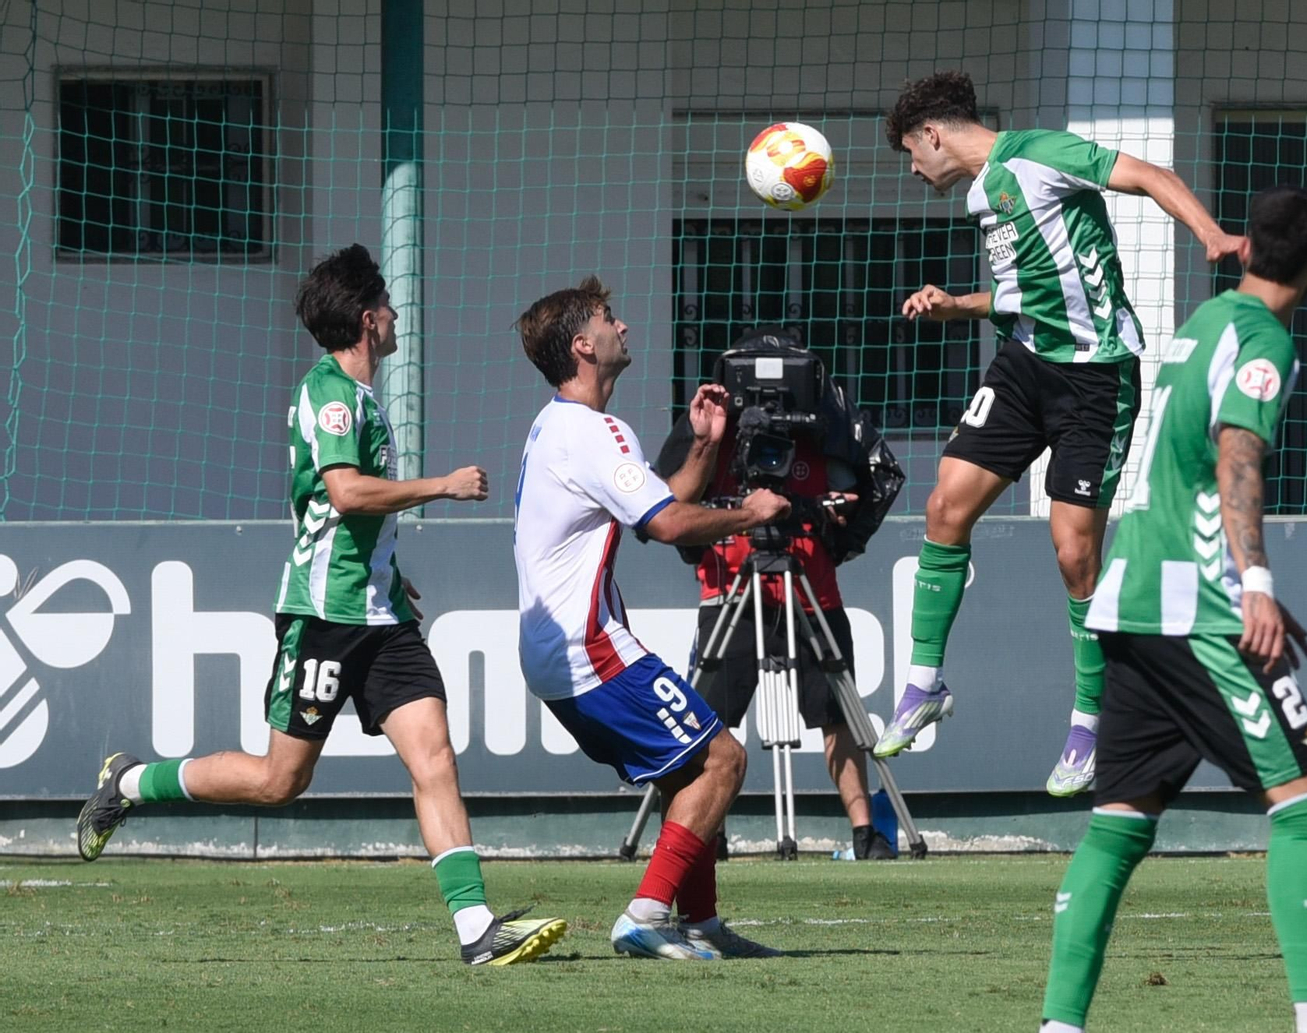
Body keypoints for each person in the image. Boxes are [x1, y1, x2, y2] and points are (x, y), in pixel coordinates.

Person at [75, 244, 566, 967]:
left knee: (434, 757)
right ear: (369, 320)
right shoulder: (330, 392)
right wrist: (445, 485)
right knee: (281, 781)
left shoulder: (361, 396)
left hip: (381, 616)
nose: (397, 315)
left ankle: (476, 930)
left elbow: (353, 518)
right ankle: (130, 781)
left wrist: (389, 577)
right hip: (323, 616)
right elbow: (345, 491)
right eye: (390, 305)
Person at [872, 71, 1245, 799]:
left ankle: (1089, 723)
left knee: (1075, 551)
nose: (914, 171)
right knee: (946, 506)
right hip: (1024, 364)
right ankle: (923, 684)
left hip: (1095, 377)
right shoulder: (985, 195)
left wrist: (1213, 235)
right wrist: (958, 306)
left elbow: (1147, 173)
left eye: (912, 156)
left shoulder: (1040, 154)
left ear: (933, 135)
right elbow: (1030, 291)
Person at [1041, 186, 1307, 1033]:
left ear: (1245, 249)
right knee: (1306, 805)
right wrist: (1256, 584)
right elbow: (1237, 455)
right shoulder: (1261, 341)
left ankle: (1058, 1026)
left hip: (1127, 598)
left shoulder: (1202, 324)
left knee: (1118, 823)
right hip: (1202, 609)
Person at [512, 276, 791, 960]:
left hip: (557, 649)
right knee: (723, 758)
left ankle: (700, 922)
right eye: (610, 318)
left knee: (682, 770)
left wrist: (702, 445)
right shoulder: (595, 430)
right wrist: (750, 513)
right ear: (583, 344)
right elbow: (667, 525)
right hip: (588, 646)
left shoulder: (560, 424)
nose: (623, 327)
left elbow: (651, 509)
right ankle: (644, 912)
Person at [654, 332, 891, 862]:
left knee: (837, 713)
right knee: (710, 718)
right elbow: (665, 501)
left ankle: (864, 834)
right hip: (730, 583)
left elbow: (871, 482)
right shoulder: (711, 427)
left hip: (810, 585)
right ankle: (704, 833)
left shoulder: (823, 424)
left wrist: (828, 519)